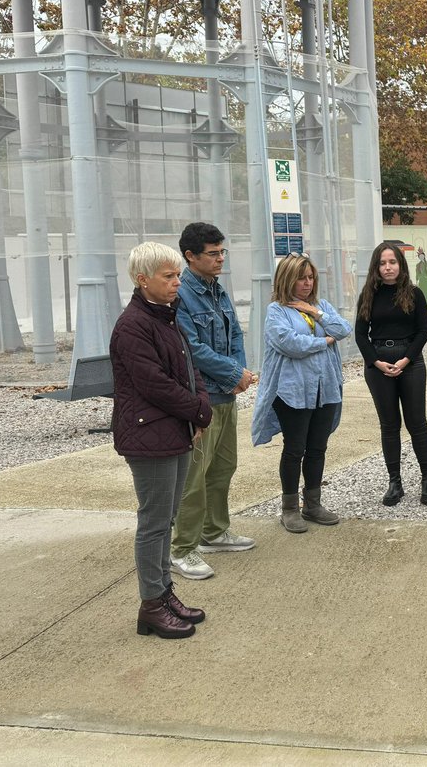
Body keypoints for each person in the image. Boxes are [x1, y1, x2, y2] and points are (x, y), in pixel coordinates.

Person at [110, 242, 212, 639]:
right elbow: (154, 384)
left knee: (166, 518)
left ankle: (164, 593)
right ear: (143, 280)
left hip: (172, 430)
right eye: (168, 276)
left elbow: (188, 368)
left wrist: (200, 405)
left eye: (177, 276)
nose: (176, 282)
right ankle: (151, 604)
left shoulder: (166, 318)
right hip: (149, 435)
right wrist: (199, 411)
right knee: (153, 522)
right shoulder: (133, 325)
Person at [171, 222, 256, 582]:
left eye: (223, 252)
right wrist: (232, 375)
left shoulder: (217, 290)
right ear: (190, 256)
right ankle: (182, 549)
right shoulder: (182, 295)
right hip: (201, 397)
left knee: (223, 467)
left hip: (225, 393)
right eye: (213, 253)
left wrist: (237, 373)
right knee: (194, 476)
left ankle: (214, 532)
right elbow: (192, 348)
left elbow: (234, 332)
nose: (221, 259)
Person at [252, 253, 352, 533]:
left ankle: (313, 504)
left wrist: (315, 313)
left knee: (318, 447)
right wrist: (323, 341)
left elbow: (343, 329)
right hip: (293, 391)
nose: (307, 283)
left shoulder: (321, 306)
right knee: (295, 449)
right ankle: (289, 508)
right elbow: (289, 343)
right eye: (301, 278)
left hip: (325, 389)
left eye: (310, 278)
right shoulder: (276, 311)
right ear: (287, 279)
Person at [355, 243, 427, 506]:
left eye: (392, 262)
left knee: (417, 423)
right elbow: (360, 334)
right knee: (389, 425)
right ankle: (395, 482)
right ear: (376, 267)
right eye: (382, 263)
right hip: (378, 364)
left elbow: (424, 330)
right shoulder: (368, 294)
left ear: (401, 264)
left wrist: (406, 359)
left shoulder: (414, 293)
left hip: (410, 363)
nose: (388, 267)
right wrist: (376, 362)